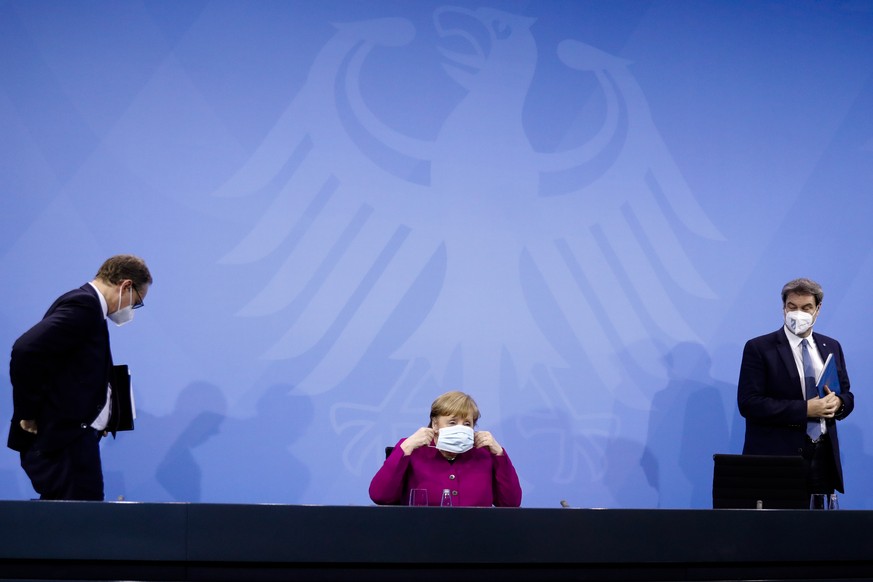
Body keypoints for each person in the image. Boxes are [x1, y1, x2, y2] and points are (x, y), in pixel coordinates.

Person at [7, 254, 152, 500]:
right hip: (64, 443)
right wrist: (27, 413)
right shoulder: (83, 306)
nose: (131, 310)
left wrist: (100, 416)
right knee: (77, 525)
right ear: (126, 286)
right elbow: (25, 350)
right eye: (136, 302)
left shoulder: (89, 308)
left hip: (74, 440)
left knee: (77, 522)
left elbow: (71, 371)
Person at [737, 277, 853, 495]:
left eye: (806, 307)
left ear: (818, 310)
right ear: (784, 308)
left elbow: (847, 395)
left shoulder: (831, 346)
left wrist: (838, 403)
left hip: (822, 458)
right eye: (792, 307)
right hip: (777, 460)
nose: (798, 313)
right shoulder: (759, 348)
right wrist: (806, 409)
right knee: (778, 528)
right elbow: (749, 404)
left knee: (820, 528)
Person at [369, 391, 522, 507]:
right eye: (452, 422)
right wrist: (405, 448)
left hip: (476, 538)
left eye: (467, 424)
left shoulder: (484, 454)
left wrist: (499, 454)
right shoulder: (413, 449)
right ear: (435, 424)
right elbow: (379, 496)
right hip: (421, 537)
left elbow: (511, 503)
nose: (460, 428)